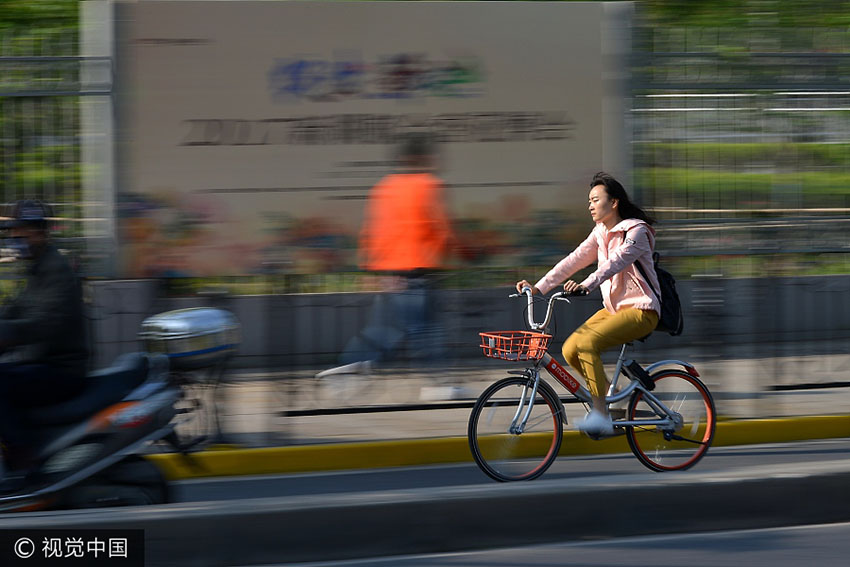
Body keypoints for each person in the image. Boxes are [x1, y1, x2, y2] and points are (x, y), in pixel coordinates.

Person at [516, 172, 660, 436]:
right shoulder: (600, 232)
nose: (590, 205)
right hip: (615, 310)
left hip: (642, 310)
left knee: (588, 344)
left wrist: (586, 285)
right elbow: (573, 260)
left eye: (595, 199)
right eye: (589, 200)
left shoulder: (636, 231)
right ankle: (612, 396)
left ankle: (601, 413)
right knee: (571, 349)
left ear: (614, 202)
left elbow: (616, 262)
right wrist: (539, 287)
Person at [318, 132, 454, 382]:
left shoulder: (384, 188)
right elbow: (441, 230)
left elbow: (370, 231)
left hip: (388, 274)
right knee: (427, 330)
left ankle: (346, 370)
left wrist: (369, 269)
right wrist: (447, 256)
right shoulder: (428, 184)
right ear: (422, 157)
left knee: (381, 331)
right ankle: (438, 382)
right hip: (417, 272)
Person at [0, 200, 89, 479]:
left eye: (23, 232)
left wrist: (4, 335)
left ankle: (25, 458)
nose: (16, 239)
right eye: (14, 232)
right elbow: (15, 310)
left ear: (42, 233)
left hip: (62, 370)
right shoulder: (36, 269)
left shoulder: (57, 270)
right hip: (41, 364)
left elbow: (42, 324)